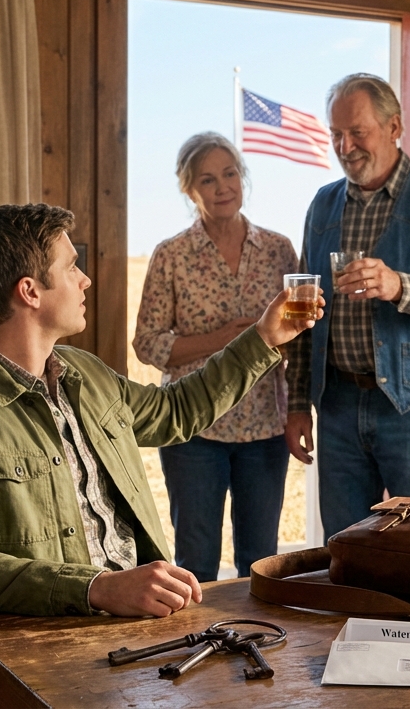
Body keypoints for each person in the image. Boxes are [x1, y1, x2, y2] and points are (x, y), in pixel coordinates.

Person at [0, 203, 319, 709]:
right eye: (71, 267)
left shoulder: (83, 373)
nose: (86, 280)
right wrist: (98, 588)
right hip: (41, 658)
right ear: (29, 291)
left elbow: (175, 411)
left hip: (148, 642)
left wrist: (265, 337)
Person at [283, 73, 410, 539]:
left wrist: (400, 285)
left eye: (357, 131)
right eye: (336, 133)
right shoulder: (322, 205)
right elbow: (302, 314)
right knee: (344, 547)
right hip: (336, 405)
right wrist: (297, 403)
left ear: (394, 126)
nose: (345, 144)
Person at [133, 133, 298, 583]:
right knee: (196, 562)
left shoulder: (280, 250)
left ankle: (258, 646)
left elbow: (298, 336)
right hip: (193, 430)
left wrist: (298, 399)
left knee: (261, 561)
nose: (223, 186)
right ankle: (198, 650)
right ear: (189, 189)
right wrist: (224, 338)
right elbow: (146, 343)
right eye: (208, 179)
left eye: (230, 174)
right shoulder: (171, 255)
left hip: (264, 425)